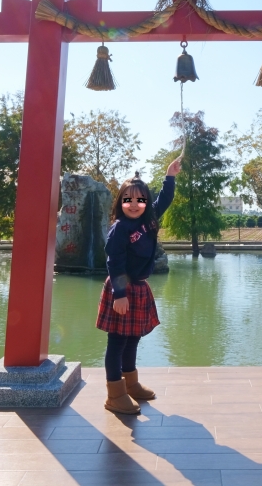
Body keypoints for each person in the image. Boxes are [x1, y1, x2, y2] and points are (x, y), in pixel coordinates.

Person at [96, 156, 181, 414]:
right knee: (117, 342)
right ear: (120, 201)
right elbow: (114, 262)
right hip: (123, 288)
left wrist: (170, 176)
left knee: (133, 338)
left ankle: (130, 384)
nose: (134, 204)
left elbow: (164, 200)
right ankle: (114, 394)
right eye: (128, 199)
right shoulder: (120, 228)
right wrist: (119, 295)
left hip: (140, 286)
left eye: (140, 199)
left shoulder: (148, 220)